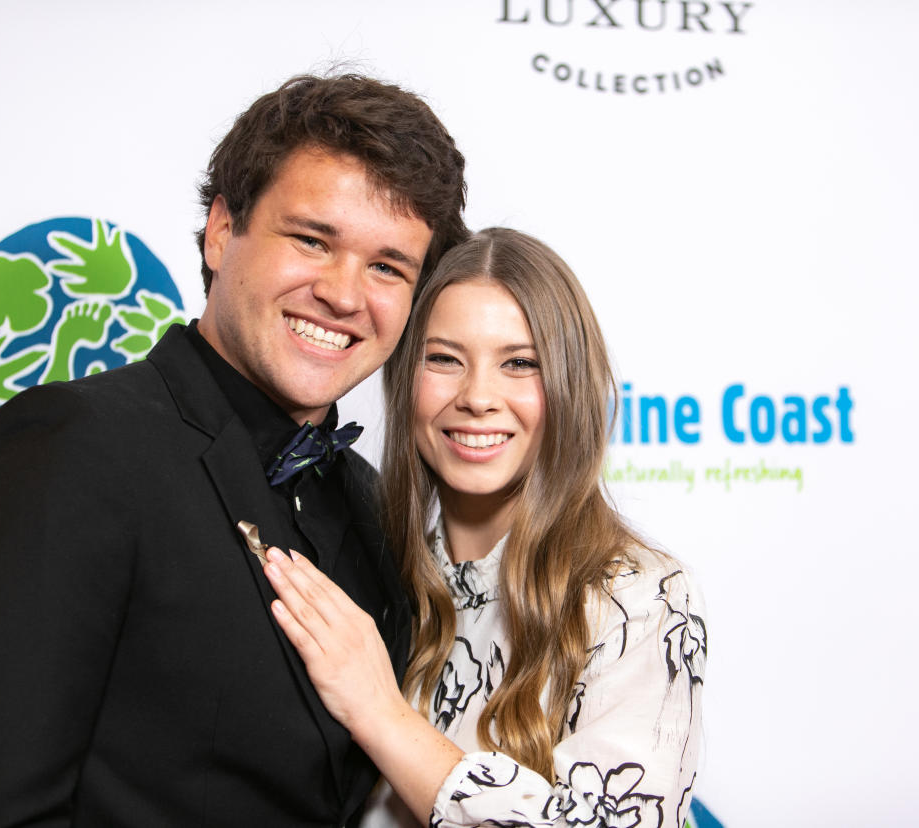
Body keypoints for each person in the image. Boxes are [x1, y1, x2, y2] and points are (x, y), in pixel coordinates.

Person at [0, 73, 468, 826]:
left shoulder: (370, 502)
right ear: (222, 230)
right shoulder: (70, 449)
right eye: (311, 239)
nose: (343, 293)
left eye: (387, 266)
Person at [262, 228, 707, 828]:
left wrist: (380, 713)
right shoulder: (376, 570)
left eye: (519, 363)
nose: (477, 397)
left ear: (570, 387)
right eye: (444, 359)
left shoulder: (639, 598)